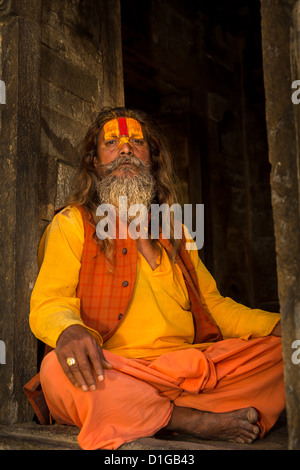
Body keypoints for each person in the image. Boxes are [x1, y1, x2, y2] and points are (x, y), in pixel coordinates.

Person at [27, 107, 285, 450]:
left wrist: (282, 325)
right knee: (57, 373)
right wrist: (67, 330)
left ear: (153, 159)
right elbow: (50, 302)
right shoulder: (73, 224)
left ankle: (152, 414)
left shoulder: (175, 232)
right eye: (111, 143)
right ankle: (189, 420)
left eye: (137, 142)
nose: (125, 149)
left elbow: (216, 306)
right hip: (117, 371)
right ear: (94, 163)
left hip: (190, 371)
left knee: (286, 352)